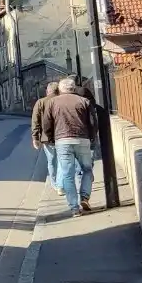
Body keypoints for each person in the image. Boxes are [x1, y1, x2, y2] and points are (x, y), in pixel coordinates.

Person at [41, 75, 97, 216]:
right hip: (82, 139)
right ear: (73, 89)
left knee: (67, 174)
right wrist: (92, 137)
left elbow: (46, 124)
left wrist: (50, 138)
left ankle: (74, 208)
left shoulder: (52, 103)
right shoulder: (84, 101)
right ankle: (84, 197)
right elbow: (93, 122)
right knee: (87, 169)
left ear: (60, 89)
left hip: (62, 141)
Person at [30, 82, 61, 196]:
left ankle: (55, 184)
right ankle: (62, 183)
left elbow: (35, 121)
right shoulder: (61, 100)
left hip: (47, 137)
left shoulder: (40, 102)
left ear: (48, 91)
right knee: (62, 160)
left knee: (51, 161)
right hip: (62, 135)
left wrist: (35, 137)